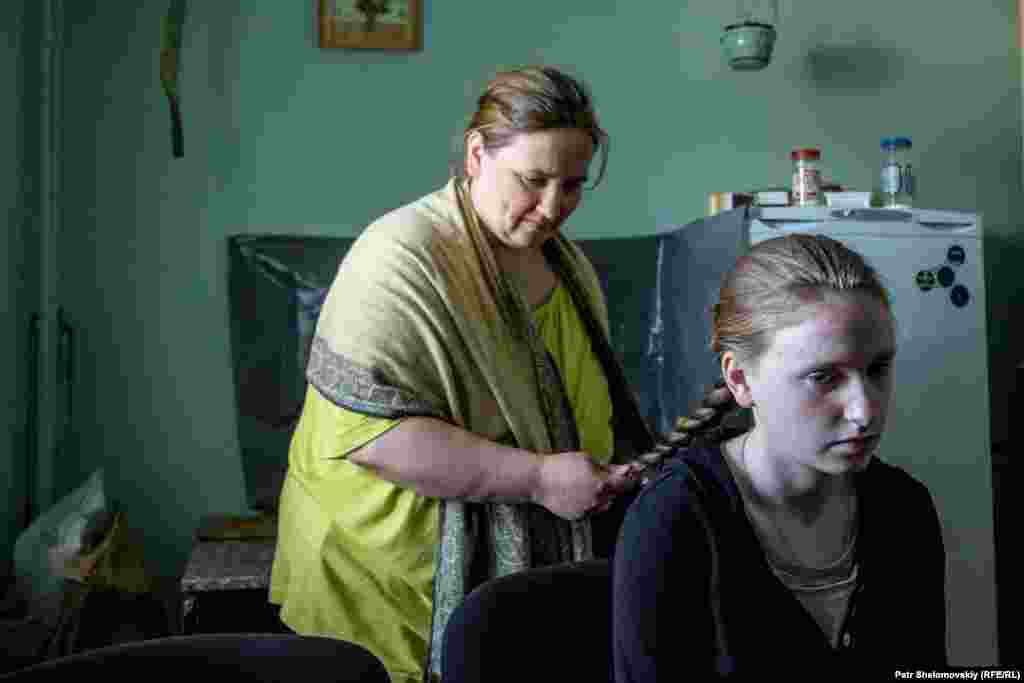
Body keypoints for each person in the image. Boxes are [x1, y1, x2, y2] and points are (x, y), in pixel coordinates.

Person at [268, 65, 655, 683]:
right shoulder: (398, 258)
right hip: (387, 581)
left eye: (573, 186)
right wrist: (537, 479)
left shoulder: (566, 264)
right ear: (477, 154)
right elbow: (376, 437)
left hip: (516, 583)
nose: (552, 207)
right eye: (532, 180)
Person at [612, 234, 948, 679]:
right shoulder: (676, 518)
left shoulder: (903, 508)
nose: (864, 411)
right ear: (740, 380)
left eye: (877, 370)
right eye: (824, 377)